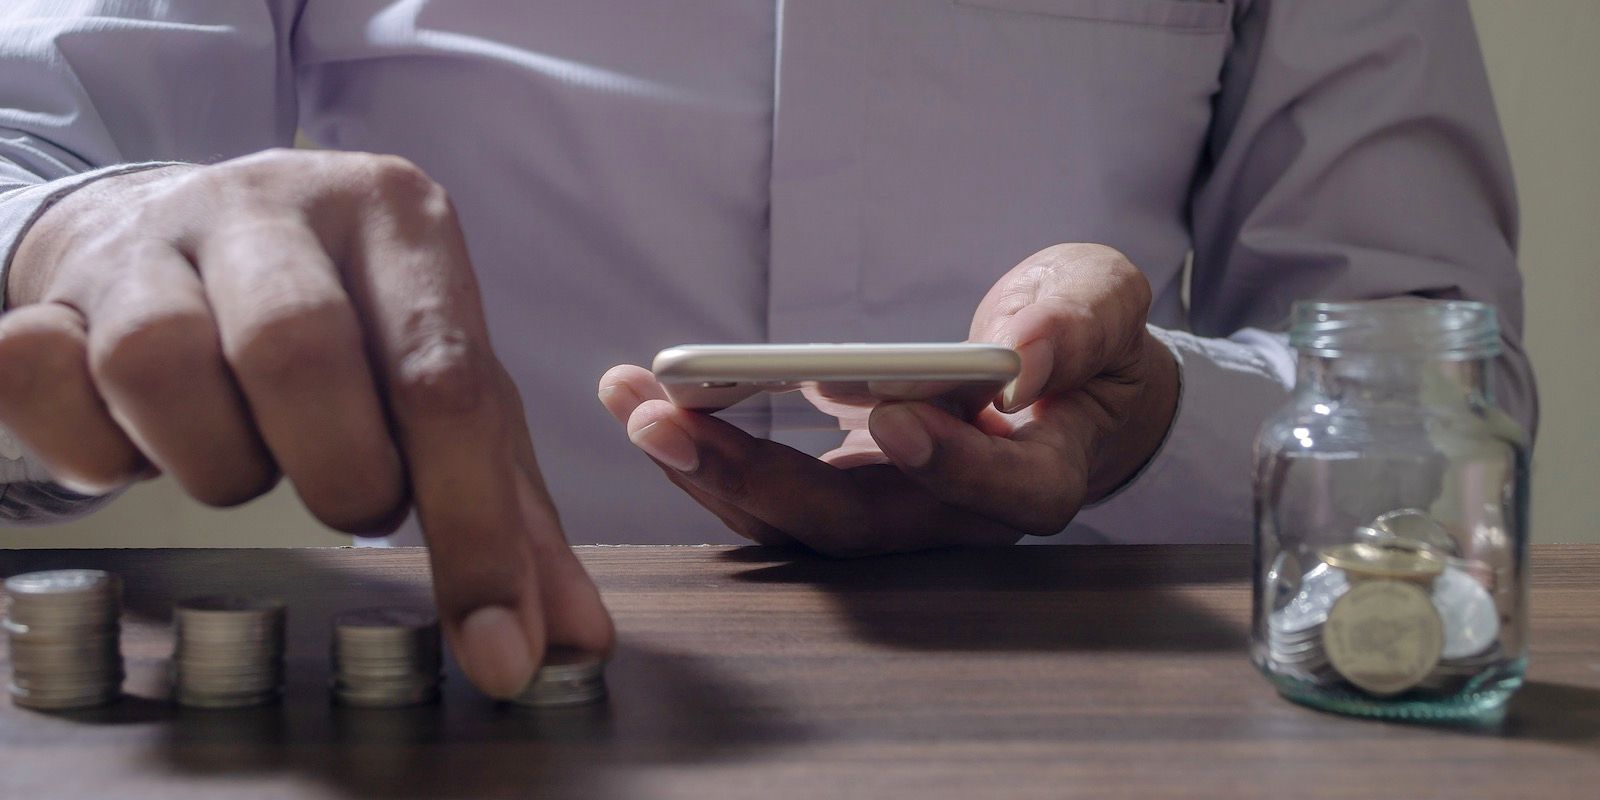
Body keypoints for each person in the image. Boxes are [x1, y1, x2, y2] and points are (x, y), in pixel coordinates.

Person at [0, 1, 1535, 698]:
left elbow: (1435, 379)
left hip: (1107, 717)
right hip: (493, 724)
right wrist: (71, 242)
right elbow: (27, 163)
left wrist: (1158, 427)